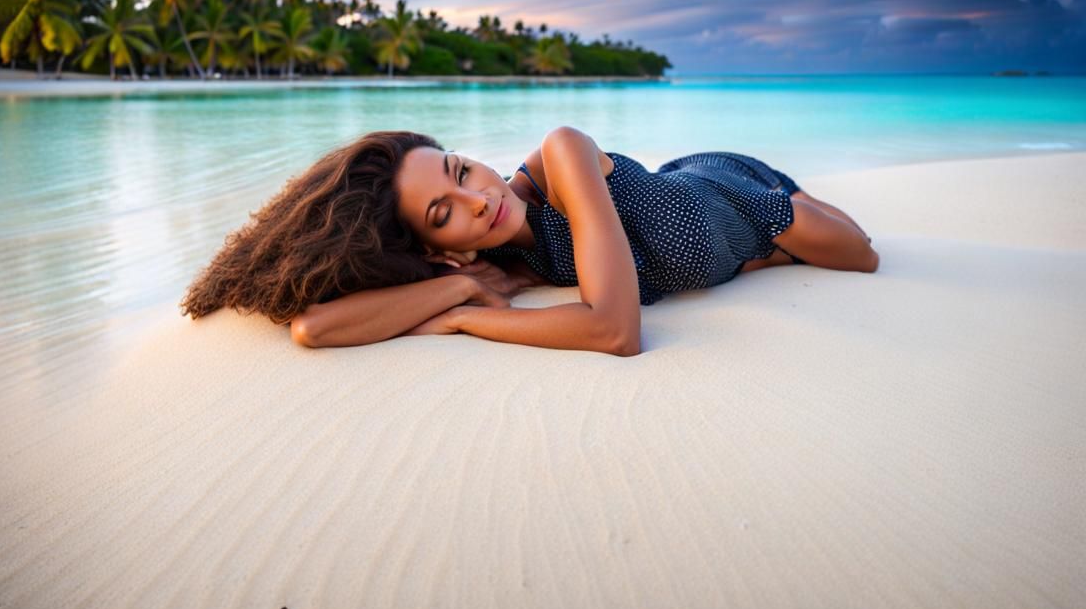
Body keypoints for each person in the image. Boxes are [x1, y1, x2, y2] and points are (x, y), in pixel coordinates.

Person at [181, 127, 878, 355]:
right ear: (436, 250)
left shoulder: (560, 155)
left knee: (865, 256)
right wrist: (459, 287)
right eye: (444, 212)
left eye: (461, 171)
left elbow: (614, 331)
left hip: (747, 201)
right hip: (734, 251)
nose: (478, 198)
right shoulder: (498, 265)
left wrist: (462, 318)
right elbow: (314, 328)